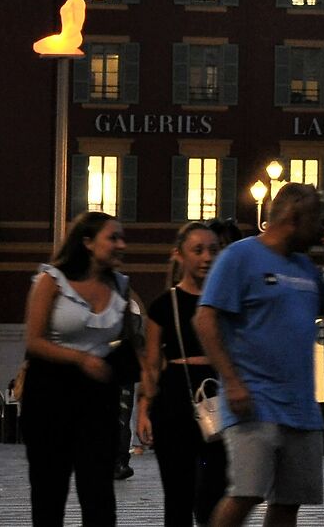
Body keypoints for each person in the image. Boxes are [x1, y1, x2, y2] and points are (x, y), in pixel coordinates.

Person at [198, 184, 324, 527]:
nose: (323, 229)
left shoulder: (306, 268)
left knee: (289, 501)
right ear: (295, 218)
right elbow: (205, 318)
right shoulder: (239, 257)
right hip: (253, 401)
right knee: (247, 492)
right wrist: (233, 381)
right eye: (318, 220)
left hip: (301, 408)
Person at [23, 210, 137, 527]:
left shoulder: (120, 286)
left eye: (122, 238)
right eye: (113, 237)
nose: (121, 245)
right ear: (87, 242)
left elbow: (127, 340)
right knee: (50, 489)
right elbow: (34, 340)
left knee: (99, 491)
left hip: (99, 395)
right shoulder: (52, 280)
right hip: (50, 390)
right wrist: (81, 359)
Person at [139, 221, 227, 527]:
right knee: (177, 493)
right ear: (179, 255)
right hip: (174, 399)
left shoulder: (228, 301)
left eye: (214, 250)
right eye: (198, 250)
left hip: (221, 396)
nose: (207, 257)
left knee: (215, 490)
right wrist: (144, 409)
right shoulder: (163, 305)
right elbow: (151, 364)